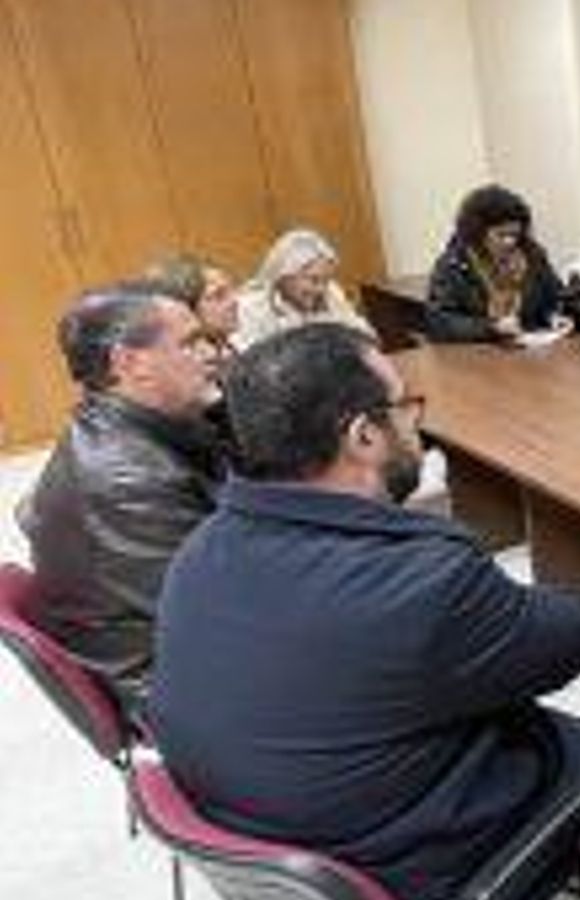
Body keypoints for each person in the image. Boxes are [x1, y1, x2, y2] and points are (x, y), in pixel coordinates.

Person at [149, 324, 580, 900]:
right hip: (410, 861)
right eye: (404, 405)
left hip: (276, 846)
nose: (415, 421)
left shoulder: (198, 551)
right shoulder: (423, 581)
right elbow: (572, 635)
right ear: (363, 436)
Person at [16, 283, 226, 711]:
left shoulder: (148, 426)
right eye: (190, 343)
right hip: (187, 694)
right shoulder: (125, 482)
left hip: (190, 657)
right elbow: (230, 613)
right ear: (130, 363)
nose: (211, 354)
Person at [426, 184, 571, 344]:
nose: (510, 242)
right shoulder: (454, 265)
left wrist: (555, 317)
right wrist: (491, 328)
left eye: (514, 234)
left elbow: (553, 297)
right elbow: (440, 322)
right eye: (501, 235)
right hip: (478, 356)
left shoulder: (532, 255)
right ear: (479, 233)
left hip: (531, 349)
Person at [235, 228, 373, 348]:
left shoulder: (331, 291)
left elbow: (363, 333)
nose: (321, 289)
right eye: (313, 280)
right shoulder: (250, 307)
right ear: (285, 276)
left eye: (326, 280)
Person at [145, 252, 240, 355]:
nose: (234, 301)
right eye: (218, 295)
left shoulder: (226, 351)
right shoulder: (181, 363)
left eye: (232, 291)